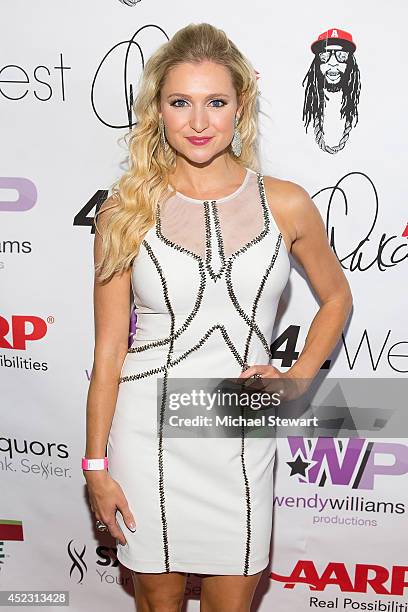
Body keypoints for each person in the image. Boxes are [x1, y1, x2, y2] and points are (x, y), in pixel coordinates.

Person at [82, 22, 353, 612]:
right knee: (158, 601)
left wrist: (301, 377)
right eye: (181, 102)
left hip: (239, 427)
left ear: (241, 106)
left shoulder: (286, 202)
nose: (199, 122)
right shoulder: (125, 211)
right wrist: (97, 469)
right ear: (157, 110)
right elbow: (108, 353)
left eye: (215, 102)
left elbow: (336, 297)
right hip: (144, 433)